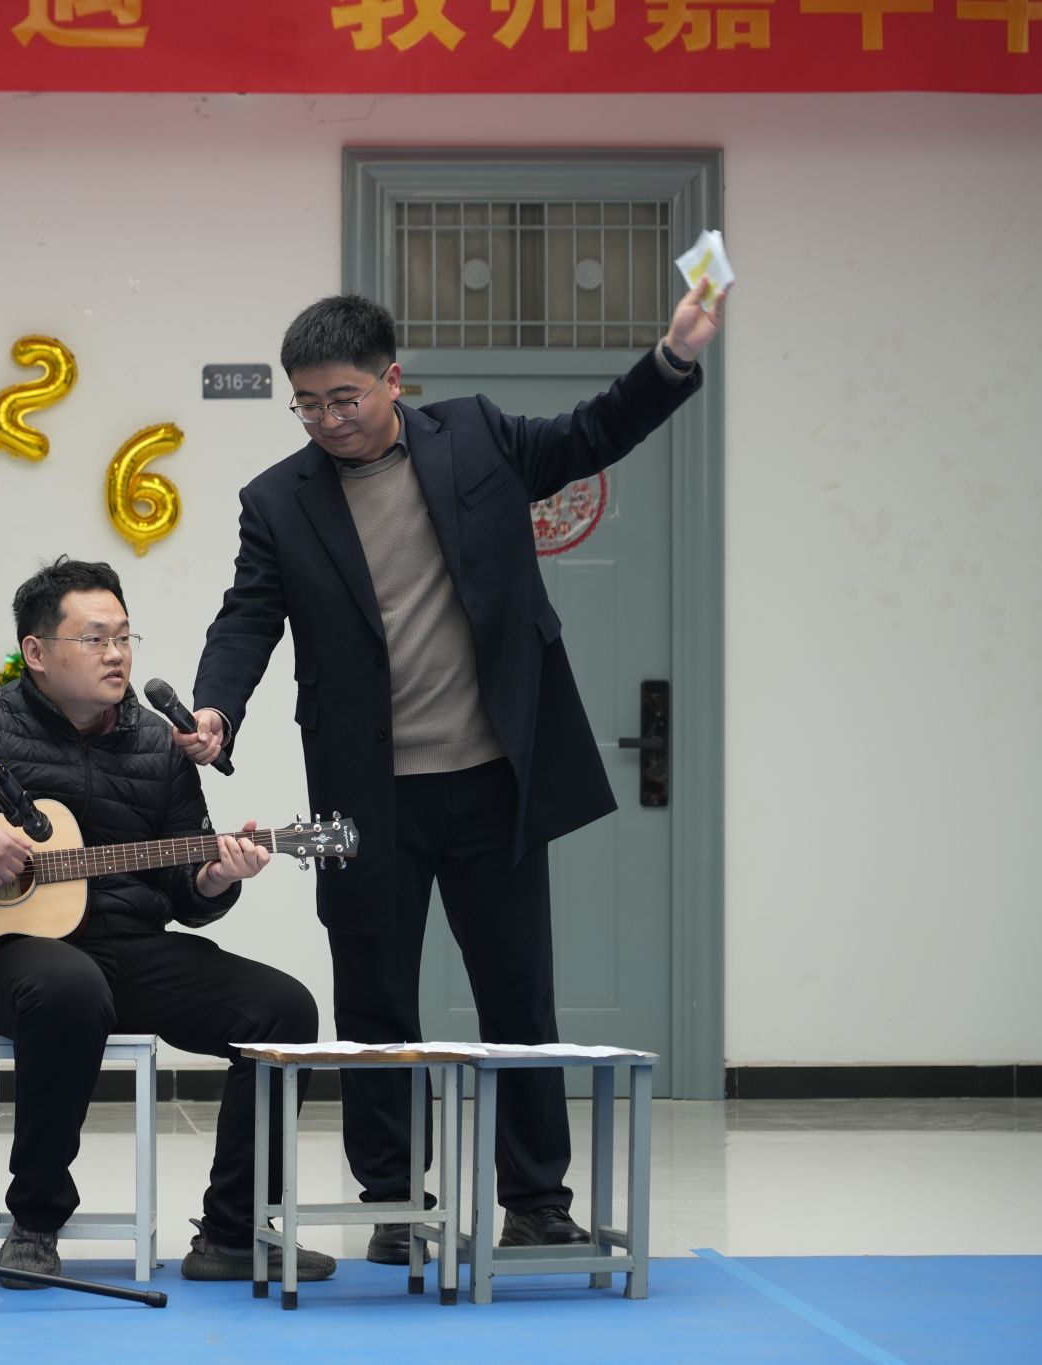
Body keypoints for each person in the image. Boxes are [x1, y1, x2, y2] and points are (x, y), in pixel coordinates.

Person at [173, 281, 726, 1261]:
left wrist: (672, 359)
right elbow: (247, 616)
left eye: (343, 398)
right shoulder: (278, 501)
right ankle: (396, 1205)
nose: (327, 420)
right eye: (306, 404)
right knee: (373, 1001)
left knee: (517, 995)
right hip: (361, 798)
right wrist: (217, 707)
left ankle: (536, 1203)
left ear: (392, 380)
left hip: (490, 779)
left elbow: (592, 433)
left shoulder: (476, 438)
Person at [0, 557, 334, 1286]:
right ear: (36, 651)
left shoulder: (158, 745)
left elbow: (183, 891)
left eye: (124, 637)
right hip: (5, 959)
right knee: (68, 985)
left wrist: (215, 876)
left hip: (128, 948)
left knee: (284, 1009)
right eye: (95, 639)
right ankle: (35, 1222)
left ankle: (233, 1230)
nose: (117, 654)